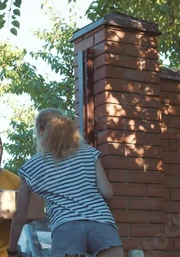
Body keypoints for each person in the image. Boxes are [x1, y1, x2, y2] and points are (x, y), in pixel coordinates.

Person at [8, 108, 124, 257]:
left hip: (67, 228)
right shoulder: (88, 152)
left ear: (40, 130)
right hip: (102, 224)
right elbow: (107, 192)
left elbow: (20, 216)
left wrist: (12, 250)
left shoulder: (31, 167)